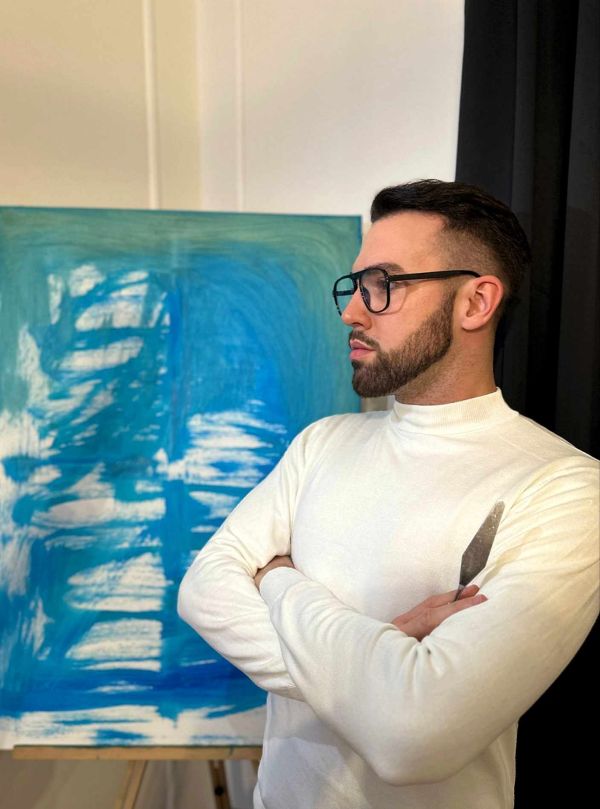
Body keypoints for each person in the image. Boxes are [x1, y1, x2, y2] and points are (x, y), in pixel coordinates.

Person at [177, 180, 599, 809]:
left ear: (476, 301)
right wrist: (387, 650)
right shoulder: (322, 443)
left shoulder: (563, 487)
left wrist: (279, 582)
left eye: (384, 284)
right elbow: (202, 591)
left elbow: (413, 738)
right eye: (355, 285)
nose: (352, 311)